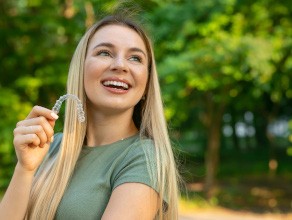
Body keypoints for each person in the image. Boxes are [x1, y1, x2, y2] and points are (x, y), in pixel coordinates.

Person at [0, 13, 179, 220]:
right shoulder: (49, 146)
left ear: (147, 83)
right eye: (105, 53)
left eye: (135, 58)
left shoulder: (144, 158)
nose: (120, 65)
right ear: (81, 69)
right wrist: (25, 168)